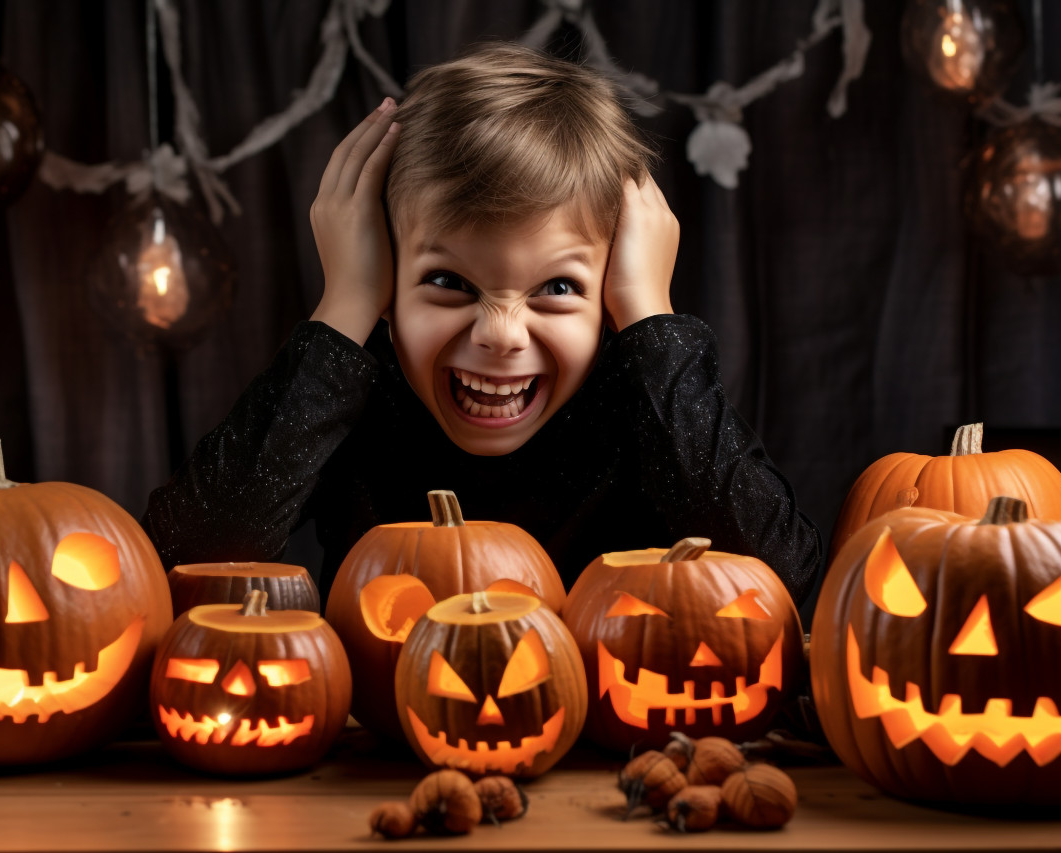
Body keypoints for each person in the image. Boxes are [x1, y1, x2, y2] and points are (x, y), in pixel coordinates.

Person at [142, 42, 822, 604]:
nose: (501, 333)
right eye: (448, 283)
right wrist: (346, 302)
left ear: (609, 288)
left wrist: (649, 315)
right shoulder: (354, 391)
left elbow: (782, 587)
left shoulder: (642, 399)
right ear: (387, 279)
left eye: (557, 287)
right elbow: (183, 571)